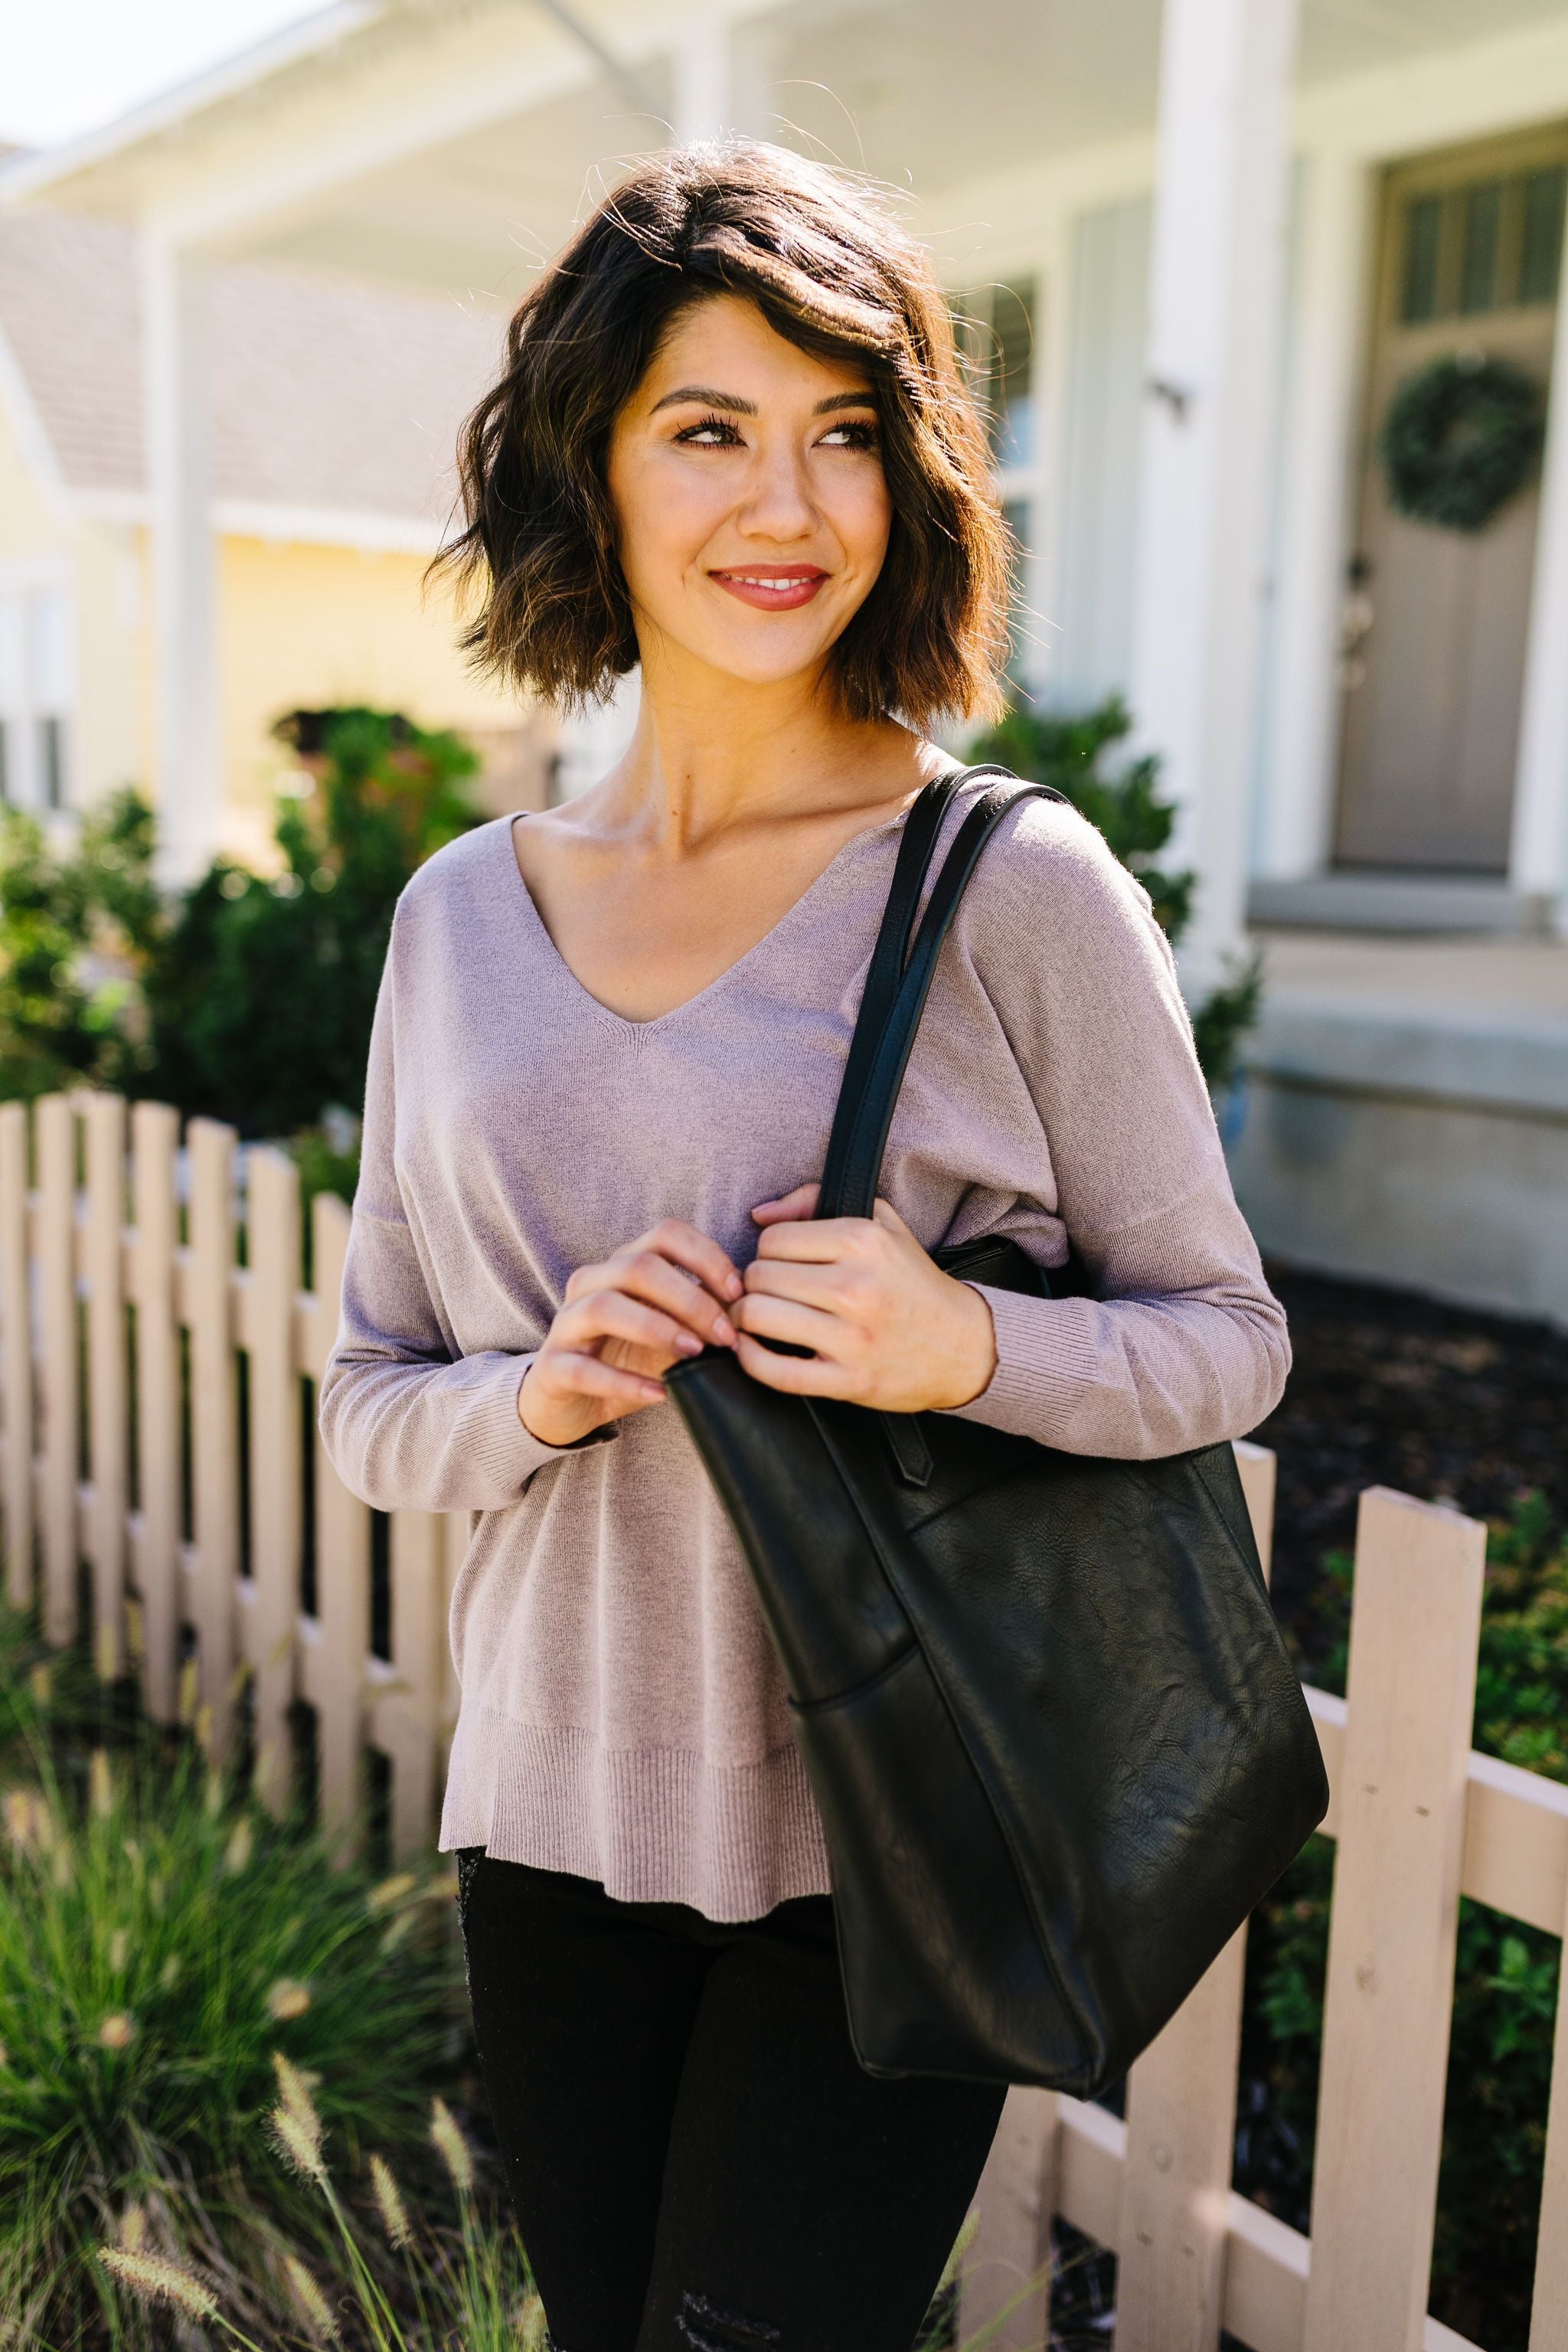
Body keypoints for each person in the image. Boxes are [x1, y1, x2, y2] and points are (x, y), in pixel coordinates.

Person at [318, 139, 1289, 2352]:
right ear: (595, 470)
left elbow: (1226, 1342)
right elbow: (375, 1399)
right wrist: (539, 1390)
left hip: (881, 1851)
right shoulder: (461, 920)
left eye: (848, 433)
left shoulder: (1012, 892)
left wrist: (965, 1347)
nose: (790, 505)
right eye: (710, 432)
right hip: (548, 1818)